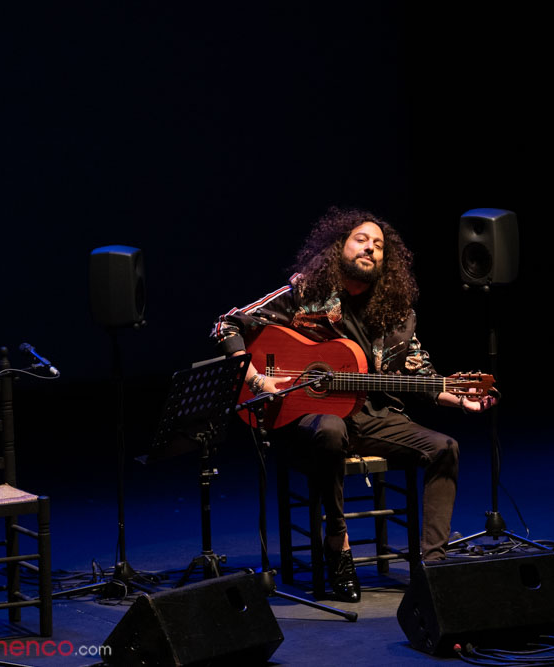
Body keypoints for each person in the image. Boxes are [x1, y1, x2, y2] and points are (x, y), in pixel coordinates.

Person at [211, 207, 496, 602]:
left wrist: (456, 397)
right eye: (361, 240)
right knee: (330, 428)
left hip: (373, 417)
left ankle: (433, 567)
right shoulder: (305, 294)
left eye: (379, 245)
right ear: (338, 248)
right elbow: (227, 323)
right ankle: (338, 541)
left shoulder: (398, 314)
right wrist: (257, 380)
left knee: (445, 448)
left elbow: (420, 374)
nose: (371, 249)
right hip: (305, 419)